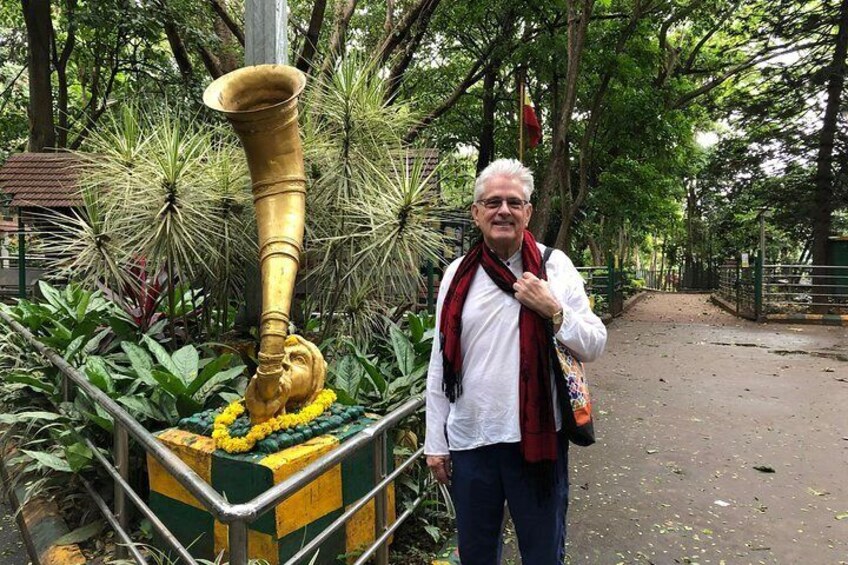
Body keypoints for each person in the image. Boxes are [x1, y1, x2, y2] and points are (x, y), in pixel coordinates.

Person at [424, 158, 607, 564]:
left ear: (527, 211)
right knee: (476, 554)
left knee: (543, 553)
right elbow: (440, 364)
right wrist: (435, 443)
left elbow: (595, 342)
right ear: (476, 213)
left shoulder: (554, 266)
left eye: (513, 202)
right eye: (492, 202)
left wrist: (554, 310)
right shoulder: (457, 275)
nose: (502, 210)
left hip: (538, 442)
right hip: (472, 441)